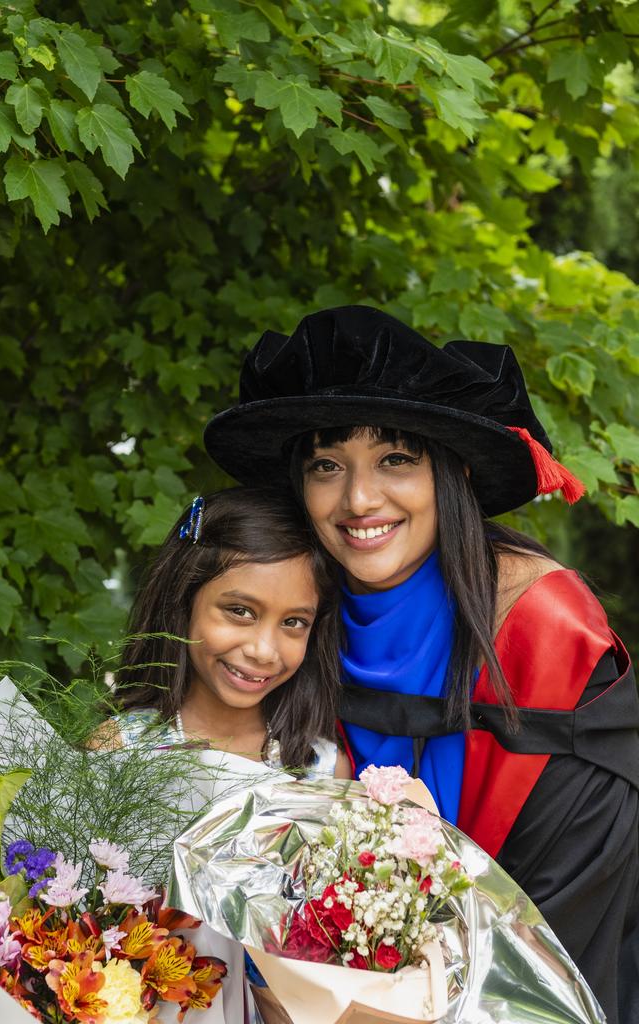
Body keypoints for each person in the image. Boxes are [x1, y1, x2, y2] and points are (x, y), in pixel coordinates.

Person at [203, 304, 639, 1024]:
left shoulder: (546, 642)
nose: (359, 499)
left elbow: (564, 930)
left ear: (452, 471)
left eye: (396, 460)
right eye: (326, 465)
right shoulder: (286, 631)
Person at [111, 485, 352, 779]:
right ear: (183, 601)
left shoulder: (321, 768)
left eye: (293, 622)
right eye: (240, 612)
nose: (263, 651)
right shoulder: (119, 748)